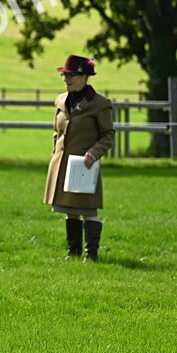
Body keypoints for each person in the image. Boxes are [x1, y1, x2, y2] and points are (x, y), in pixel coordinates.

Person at [44, 55, 115, 261]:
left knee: (88, 210)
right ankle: (72, 252)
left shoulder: (100, 104)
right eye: (65, 76)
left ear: (84, 77)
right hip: (63, 163)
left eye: (71, 76)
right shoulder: (61, 100)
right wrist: (54, 154)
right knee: (70, 210)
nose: (66, 80)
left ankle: (91, 255)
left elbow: (108, 135)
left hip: (85, 164)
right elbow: (56, 132)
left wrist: (94, 152)